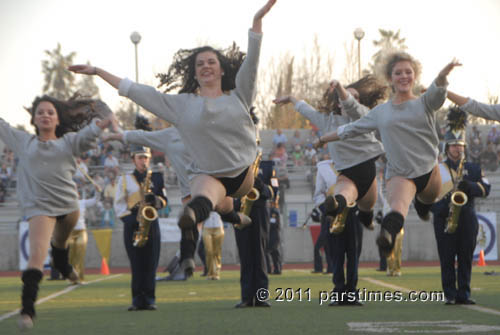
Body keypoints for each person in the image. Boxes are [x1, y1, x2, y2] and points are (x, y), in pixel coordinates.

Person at [70, 0, 277, 238]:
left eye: (211, 62)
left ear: (222, 70)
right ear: (194, 73)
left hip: (241, 175)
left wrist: (256, 22)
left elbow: (252, 62)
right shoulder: (183, 105)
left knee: (222, 199)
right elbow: (138, 92)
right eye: (200, 64)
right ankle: (203, 218)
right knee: (202, 200)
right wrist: (98, 71)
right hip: (209, 177)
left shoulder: (239, 95)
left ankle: (227, 213)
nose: (206, 66)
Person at [315, 54, 461, 255]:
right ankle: (387, 236)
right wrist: (324, 139)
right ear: (390, 79)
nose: (403, 76)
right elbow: (351, 128)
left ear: (415, 76)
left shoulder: (424, 102)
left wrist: (443, 75)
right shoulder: (381, 112)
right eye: (398, 73)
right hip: (400, 173)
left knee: (427, 200)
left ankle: (422, 206)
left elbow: (438, 93)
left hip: (428, 169)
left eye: (408, 72)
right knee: (397, 207)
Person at [0, 95, 110, 330]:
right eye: (40, 112)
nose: (45, 115)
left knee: (60, 244)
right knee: (37, 255)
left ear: (58, 118)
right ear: (33, 118)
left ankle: (62, 262)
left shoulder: (69, 141)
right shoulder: (23, 141)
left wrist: (102, 121)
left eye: (50, 112)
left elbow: (89, 134)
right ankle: (28, 310)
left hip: (69, 206)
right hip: (40, 207)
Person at [274, 75, 387, 233]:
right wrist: (292, 99)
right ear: (337, 103)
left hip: (367, 169)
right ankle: (335, 206)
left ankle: (366, 218)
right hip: (347, 171)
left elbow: (351, 106)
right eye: (347, 96)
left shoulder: (363, 115)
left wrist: (341, 88)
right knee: (343, 195)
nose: (351, 99)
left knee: (367, 207)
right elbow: (307, 111)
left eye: (356, 97)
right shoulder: (327, 121)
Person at [431, 107, 490, 305]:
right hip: (443, 218)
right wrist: (440, 208)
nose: (457, 148)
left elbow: (486, 188)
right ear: (447, 147)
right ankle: (449, 294)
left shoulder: (473, 168)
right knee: (447, 258)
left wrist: (470, 186)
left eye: (460, 145)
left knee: (465, 257)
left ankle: (463, 294)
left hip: (467, 217)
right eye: (454, 145)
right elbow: (425, 196)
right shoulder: (437, 169)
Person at [114, 145, 168, 311]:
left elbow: (164, 201)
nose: (143, 161)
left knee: (151, 263)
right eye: (140, 158)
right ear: (133, 160)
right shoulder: (125, 179)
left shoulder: (157, 177)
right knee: (136, 264)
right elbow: (119, 204)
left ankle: (150, 299)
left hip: (152, 224)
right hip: (133, 224)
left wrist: (155, 200)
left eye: (145, 157)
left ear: (149, 159)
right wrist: (132, 220)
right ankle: (137, 300)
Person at [234, 160, 277, 308]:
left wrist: (260, 185)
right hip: (240, 211)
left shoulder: (267, 166)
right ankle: (246, 297)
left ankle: (261, 297)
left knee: (260, 253)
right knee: (245, 255)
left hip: (259, 211)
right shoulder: (235, 165)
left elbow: (273, 191)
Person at [68, 185, 100, 282]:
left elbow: (95, 201)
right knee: (71, 256)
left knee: (80, 255)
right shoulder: (65, 204)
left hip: (81, 230)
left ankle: (80, 277)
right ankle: (72, 278)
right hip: (70, 232)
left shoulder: (82, 202)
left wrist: (97, 191)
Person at [311, 155, 336, 274]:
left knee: (325, 245)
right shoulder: (323, 168)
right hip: (327, 214)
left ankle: (325, 268)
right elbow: (318, 195)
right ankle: (328, 268)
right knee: (326, 244)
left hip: (341, 212)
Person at [202, 212, 225, 280]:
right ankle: (210, 273)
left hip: (218, 226)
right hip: (207, 227)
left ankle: (216, 273)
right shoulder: (204, 201)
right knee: (208, 251)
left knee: (217, 252)